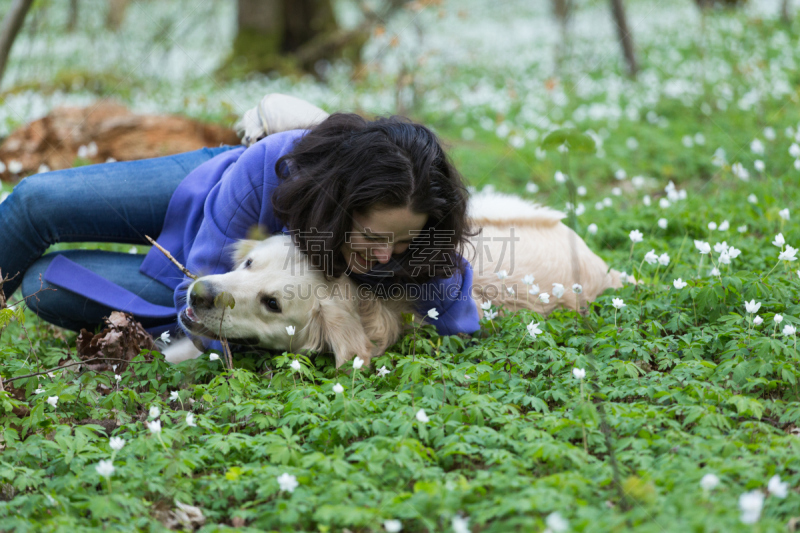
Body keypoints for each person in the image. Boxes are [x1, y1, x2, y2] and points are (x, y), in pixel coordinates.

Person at [0, 96, 480, 350]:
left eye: (401, 241)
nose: (383, 255)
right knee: (34, 200)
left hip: (219, 288)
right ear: (340, 204)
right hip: (211, 188)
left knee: (45, 283)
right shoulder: (273, 166)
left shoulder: (415, 247)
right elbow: (200, 276)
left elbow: (457, 317)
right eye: (374, 236)